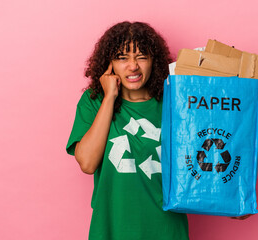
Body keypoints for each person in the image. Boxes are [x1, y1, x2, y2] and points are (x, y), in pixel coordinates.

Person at [66, 21, 189, 239]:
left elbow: (202, 153)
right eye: (122, 58)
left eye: (142, 57)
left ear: (155, 62)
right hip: (112, 228)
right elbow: (87, 163)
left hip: (166, 229)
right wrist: (110, 97)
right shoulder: (93, 102)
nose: (133, 66)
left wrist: (231, 197)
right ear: (109, 63)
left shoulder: (174, 103)